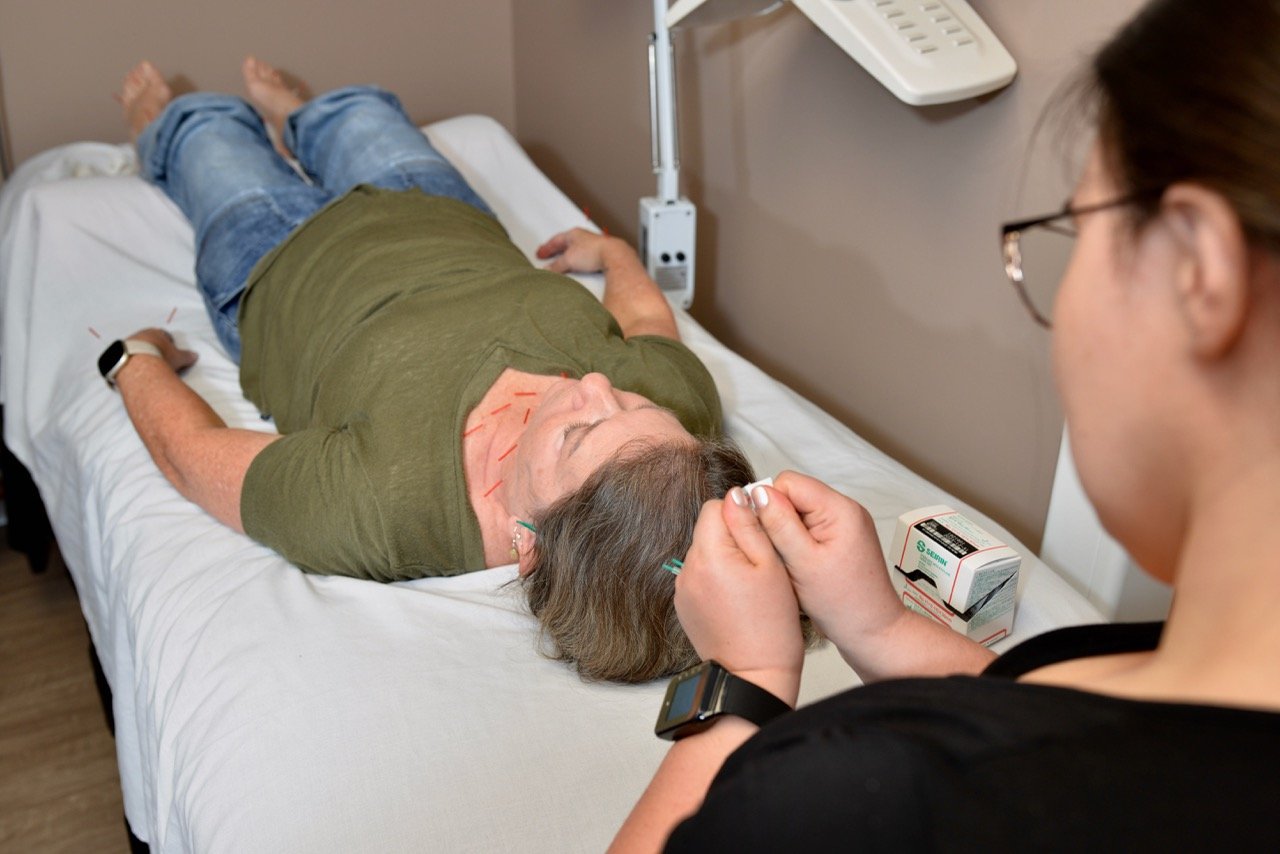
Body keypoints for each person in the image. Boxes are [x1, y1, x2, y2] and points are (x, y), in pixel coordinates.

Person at [613, 0, 1280, 848]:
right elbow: (1064, 714)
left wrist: (742, 684)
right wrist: (883, 627)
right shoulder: (1183, 676)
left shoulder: (860, 804)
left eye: (1075, 235)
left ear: (1198, 272)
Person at [106, 57, 755, 683]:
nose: (595, 385)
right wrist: (614, 253)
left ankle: (159, 129)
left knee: (204, 126)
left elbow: (190, 455)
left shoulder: (382, 508)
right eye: (634, 403)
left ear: (528, 543)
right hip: (441, 211)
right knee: (356, 107)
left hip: (277, 258)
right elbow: (647, 325)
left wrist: (135, 357)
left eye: (577, 434)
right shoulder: (676, 443)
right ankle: (302, 115)